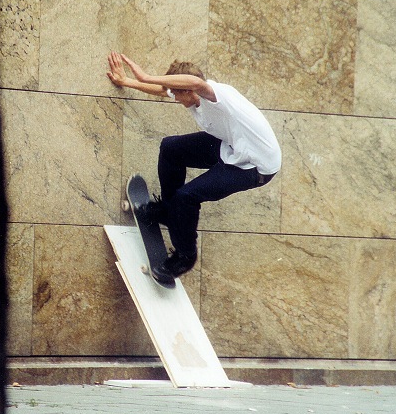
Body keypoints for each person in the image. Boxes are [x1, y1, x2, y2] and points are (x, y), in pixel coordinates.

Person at [107, 52, 281, 284]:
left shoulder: (218, 95)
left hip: (255, 166)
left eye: (179, 95)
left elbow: (197, 83)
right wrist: (126, 81)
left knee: (187, 197)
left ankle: (184, 256)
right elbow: (164, 90)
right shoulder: (191, 95)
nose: (176, 99)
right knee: (171, 149)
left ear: (190, 91)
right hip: (230, 147)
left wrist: (147, 76)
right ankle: (170, 212)